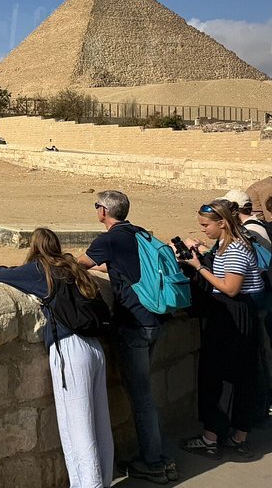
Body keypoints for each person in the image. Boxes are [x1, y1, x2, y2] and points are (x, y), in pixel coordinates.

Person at [0, 228, 113, 487]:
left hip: (71, 349)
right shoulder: (74, 268)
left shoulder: (40, 270)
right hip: (95, 348)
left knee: (78, 427)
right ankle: (101, 479)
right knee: (100, 423)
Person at [78, 190, 176, 484]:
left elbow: (80, 265)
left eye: (96, 206)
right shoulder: (139, 233)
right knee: (145, 393)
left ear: (103, 211)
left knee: (141, 397)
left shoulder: (109, 239)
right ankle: (160, 457)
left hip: (134, 324)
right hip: (155, 319)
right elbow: (123, 265)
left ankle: (154, 462)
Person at [177, 200, 264, 460]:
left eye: (206, 225)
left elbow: (230, 288)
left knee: (219, 376)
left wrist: (199, 267)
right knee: (241, 375)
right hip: (238, 314)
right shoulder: (233, 244)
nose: (203, 229)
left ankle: (211, 439)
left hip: (230, 316)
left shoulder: (235, 249)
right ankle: (237, 436)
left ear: (223, 223)